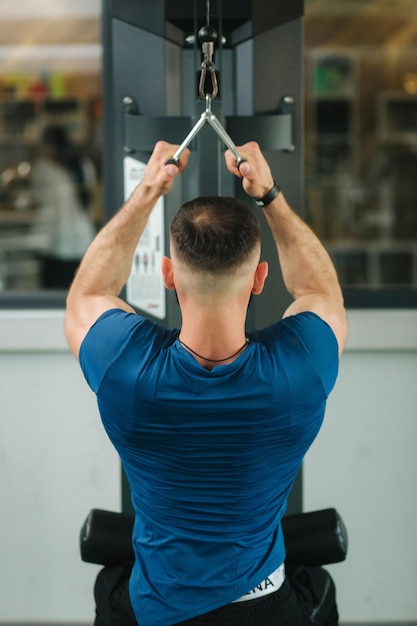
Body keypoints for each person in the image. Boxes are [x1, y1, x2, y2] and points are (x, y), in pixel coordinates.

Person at [65, 141, 348, 626]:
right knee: (319, 589)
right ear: (260, 279)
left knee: (108, 588)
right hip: (267, 609)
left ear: (168, 274)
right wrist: (270, 194)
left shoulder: (125, 372)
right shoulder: (300, 371)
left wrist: (150, 190)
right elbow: (319, 291)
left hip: (157, 613)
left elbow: (89, 293)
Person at [30, 124, 97, 288]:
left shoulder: (44, 168)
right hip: (82, 237)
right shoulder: (83, 164)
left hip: (54, 238)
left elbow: (36, 197)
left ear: (50, 146)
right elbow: (91, 194)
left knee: (52, 287)